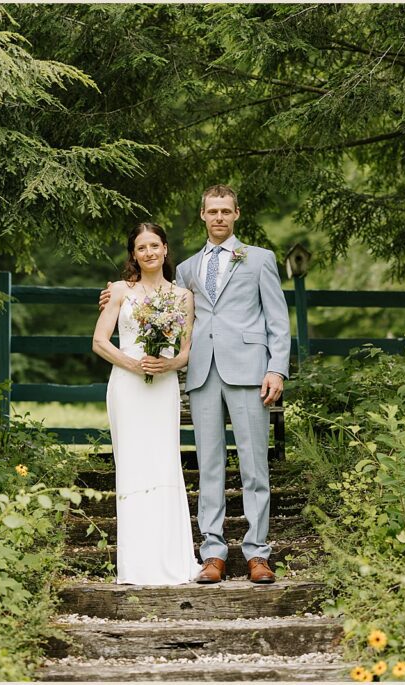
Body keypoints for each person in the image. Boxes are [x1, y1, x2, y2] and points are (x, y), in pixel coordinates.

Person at [100, 185, 290, 584]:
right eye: (212, 211)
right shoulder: (185, 270)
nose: (219, 217)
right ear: (202, 215)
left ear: (237, 214)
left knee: (255, 466)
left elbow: (277, 319)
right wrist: (116, 295)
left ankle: (258, 554)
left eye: (226, 210)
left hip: (250, 371)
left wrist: (277, 368)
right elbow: (158, 302)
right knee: (209, 466)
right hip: (202, 374)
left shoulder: (259, 259)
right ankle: (214, 552)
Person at [92, 222, 202, 585]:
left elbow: (185, 352)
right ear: (134, 255)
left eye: (155, 245)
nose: (149, 252)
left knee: (164, 463)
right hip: (128, 386)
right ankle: (137, 564)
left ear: (166, 249)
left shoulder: (182, 296)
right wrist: (134, 364)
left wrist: (167, 363)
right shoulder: (120, 290)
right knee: (135, 466)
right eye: (142, 248)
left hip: (164, 385)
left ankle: (172, 559)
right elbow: (99, 341)